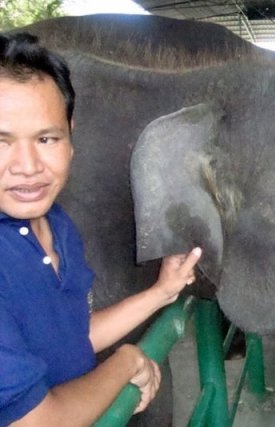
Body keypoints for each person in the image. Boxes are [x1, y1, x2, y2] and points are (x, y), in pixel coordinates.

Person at [0, 33, 202, 426]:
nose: (27, 165)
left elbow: (70, 340)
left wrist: (163, 291)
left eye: (46, 138)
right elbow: (37, 421)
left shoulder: (56, 225)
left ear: (71, 136)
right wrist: (126, 362)